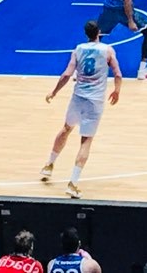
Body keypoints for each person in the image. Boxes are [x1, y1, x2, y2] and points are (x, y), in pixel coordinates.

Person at [42, 20, 123, 198]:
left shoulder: (78, 49)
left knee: (66, 129)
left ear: (86, 34)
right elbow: (117, 74)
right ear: (99, 32)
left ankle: (49, 165)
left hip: (77, 98)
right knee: (86, 141)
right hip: (95, 101)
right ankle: (73, 183)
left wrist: (54, 92)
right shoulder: (108, 50)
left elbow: (66, 74)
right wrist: (117, 91)